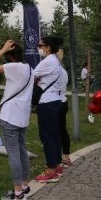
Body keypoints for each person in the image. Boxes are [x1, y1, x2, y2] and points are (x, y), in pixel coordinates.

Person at [0, 40, 34, 200]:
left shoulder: (13, 67)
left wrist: (2, 49)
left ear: (10, 57)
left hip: (10, 117)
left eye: (6, 56)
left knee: (13, 154)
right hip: (22, 118)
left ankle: (17, 191)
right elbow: (13, 91)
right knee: (21, 151)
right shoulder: (29, 69)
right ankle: (25, 185)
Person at [33, 36, 65, 183]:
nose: (39, 48)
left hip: (47, 102)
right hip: (56, 101)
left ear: (48, 47)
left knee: (46, 136)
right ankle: (57, 165)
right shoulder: (55, 62)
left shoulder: (47, 62)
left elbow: (31, 77)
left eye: (41, 45)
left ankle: (51, 170)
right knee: (54, 135)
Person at [55, 50, 71, 167]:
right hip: (63, 101)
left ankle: (56, 160)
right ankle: (66, 156)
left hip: (55, 102)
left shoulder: (54, 70)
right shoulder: (64, 71)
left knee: (54, 132)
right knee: (62, 130)